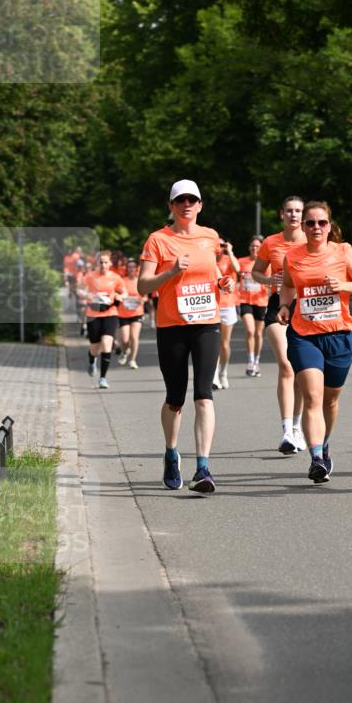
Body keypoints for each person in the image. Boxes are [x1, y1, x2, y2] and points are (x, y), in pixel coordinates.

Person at [137, 179, 235, 494]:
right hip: (172, 326)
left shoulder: (210, 237)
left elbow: (215, 273)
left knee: (204, 395)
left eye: (192, 200)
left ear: (200, 205)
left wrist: (224, 283)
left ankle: (203, 468)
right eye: (180, 200)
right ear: (171, 206)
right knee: (175, 399)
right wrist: (171, 272)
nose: (187, 205)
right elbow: (142, 285)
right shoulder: (158, 240)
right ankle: (171, 452)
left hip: (207, 323)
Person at [278, 200, 352, 483]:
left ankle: (325, 442)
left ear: (330, 226)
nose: (316, 227)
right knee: (313, 397)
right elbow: (287, 285)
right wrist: (284, 306)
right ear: (303, 226)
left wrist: (343, 285)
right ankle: (316, 457)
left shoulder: (343, 251)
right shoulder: (293, 256)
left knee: (330, 400)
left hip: (339, 335)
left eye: (321, 222)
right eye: (310, 223)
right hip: (304, 335)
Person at [252, 196, 307, 454]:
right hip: (277, 304)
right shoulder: (271, 242)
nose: (293, 215)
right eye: (289, 211)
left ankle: (297, 427)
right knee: (286, 364)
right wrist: (268, 279)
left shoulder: (312, 240)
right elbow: (256, 272)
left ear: (303, 215)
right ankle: (286, 432)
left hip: (306, 306)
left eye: (298, 211)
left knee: (301, 370)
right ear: (281, 214)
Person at [84, 251, 127, 389]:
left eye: (105, 262)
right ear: (97, 263)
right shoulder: (90, 276)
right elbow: (79, 290)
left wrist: (121, 297)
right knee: (95, 348)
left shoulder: (115, 277)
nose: (103, 265)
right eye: (101, 262)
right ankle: (92, 360)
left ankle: (102, 378)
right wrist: (88, 296)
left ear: (110, 263)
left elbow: (124, 292)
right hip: (93, 314)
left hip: (110, 313)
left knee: (107, 344)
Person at [213, 238, 240, 390]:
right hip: (212, 305)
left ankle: (223, 372)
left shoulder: (228, 259)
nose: (220, 248)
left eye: (222, 245)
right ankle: (214, 376)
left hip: (227, 305)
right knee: (213, 343)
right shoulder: (208, 259)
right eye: (217, 245)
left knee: (224, 344)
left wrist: (229, 251)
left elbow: (238, 269)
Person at [238, 235, 268, 376]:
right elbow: (234, 271)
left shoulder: (265, 264)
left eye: (257, 246)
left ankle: (256, 361)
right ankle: (250, 362)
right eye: (252, 246)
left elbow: (270, 281)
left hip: (261, 301)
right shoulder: (242, 261)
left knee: (258, 333)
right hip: (245, 300)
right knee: (250, 331)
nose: (254, 248)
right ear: (249, 247)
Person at [117, 258, 145, 369]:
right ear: (126, 269)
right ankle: (125, 352)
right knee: (125, 339)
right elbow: (116, 293)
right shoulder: (122, 281)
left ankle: (132, 360)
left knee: (134, 337)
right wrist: (119, 297)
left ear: (137, 268)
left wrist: (142, 300)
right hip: (123, 313)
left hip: (137, 312)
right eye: (129, 267)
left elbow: (145, 296)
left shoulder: (140, 281)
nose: (131, 269)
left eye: (133, 267)